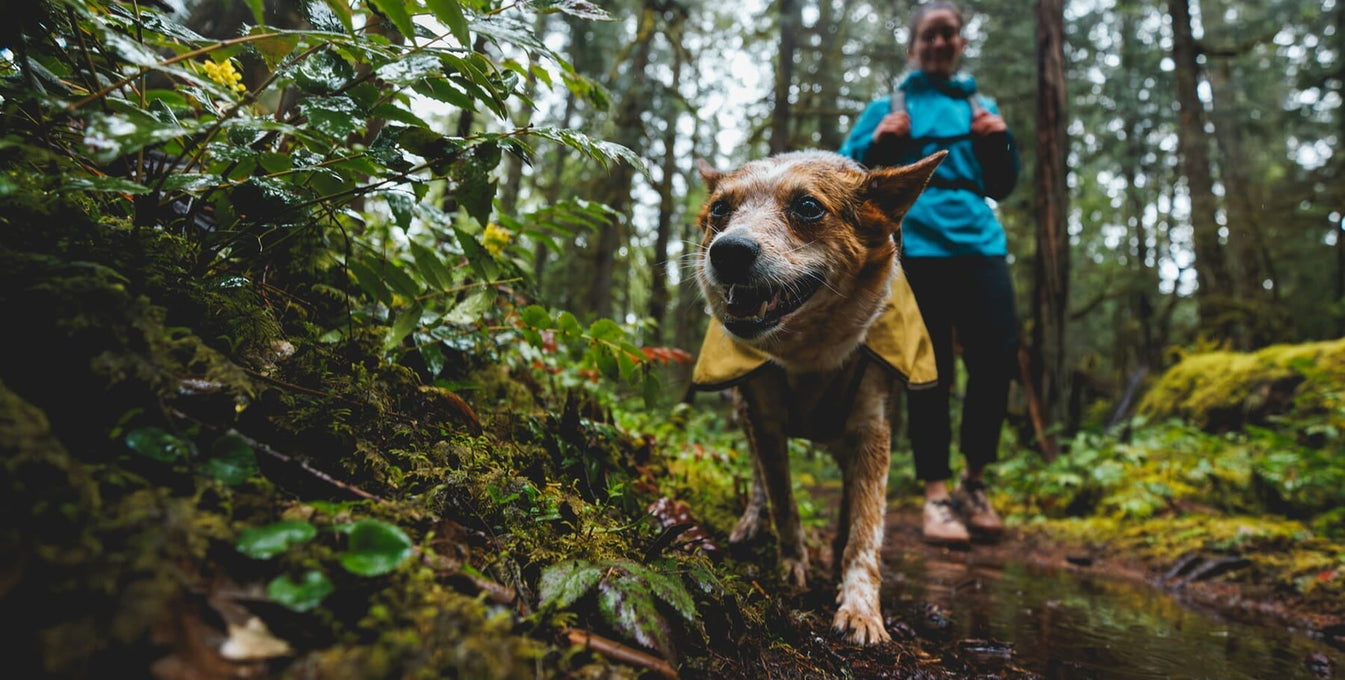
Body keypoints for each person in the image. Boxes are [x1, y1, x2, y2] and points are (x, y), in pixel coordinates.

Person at [838, 0, 1020, 545]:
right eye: (930, 35)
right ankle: (936, 495)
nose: (941, 43)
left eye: (950, 34)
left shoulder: (980, 106)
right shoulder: (889, 106)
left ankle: (975, 482)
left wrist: (1000, 142)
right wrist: (879, 144)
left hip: (981, 241)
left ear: (961, 43)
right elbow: (846, 174)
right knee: (930, 365)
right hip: (916, 245)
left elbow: (1003, 185)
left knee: (996, 356)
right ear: (914, 47)